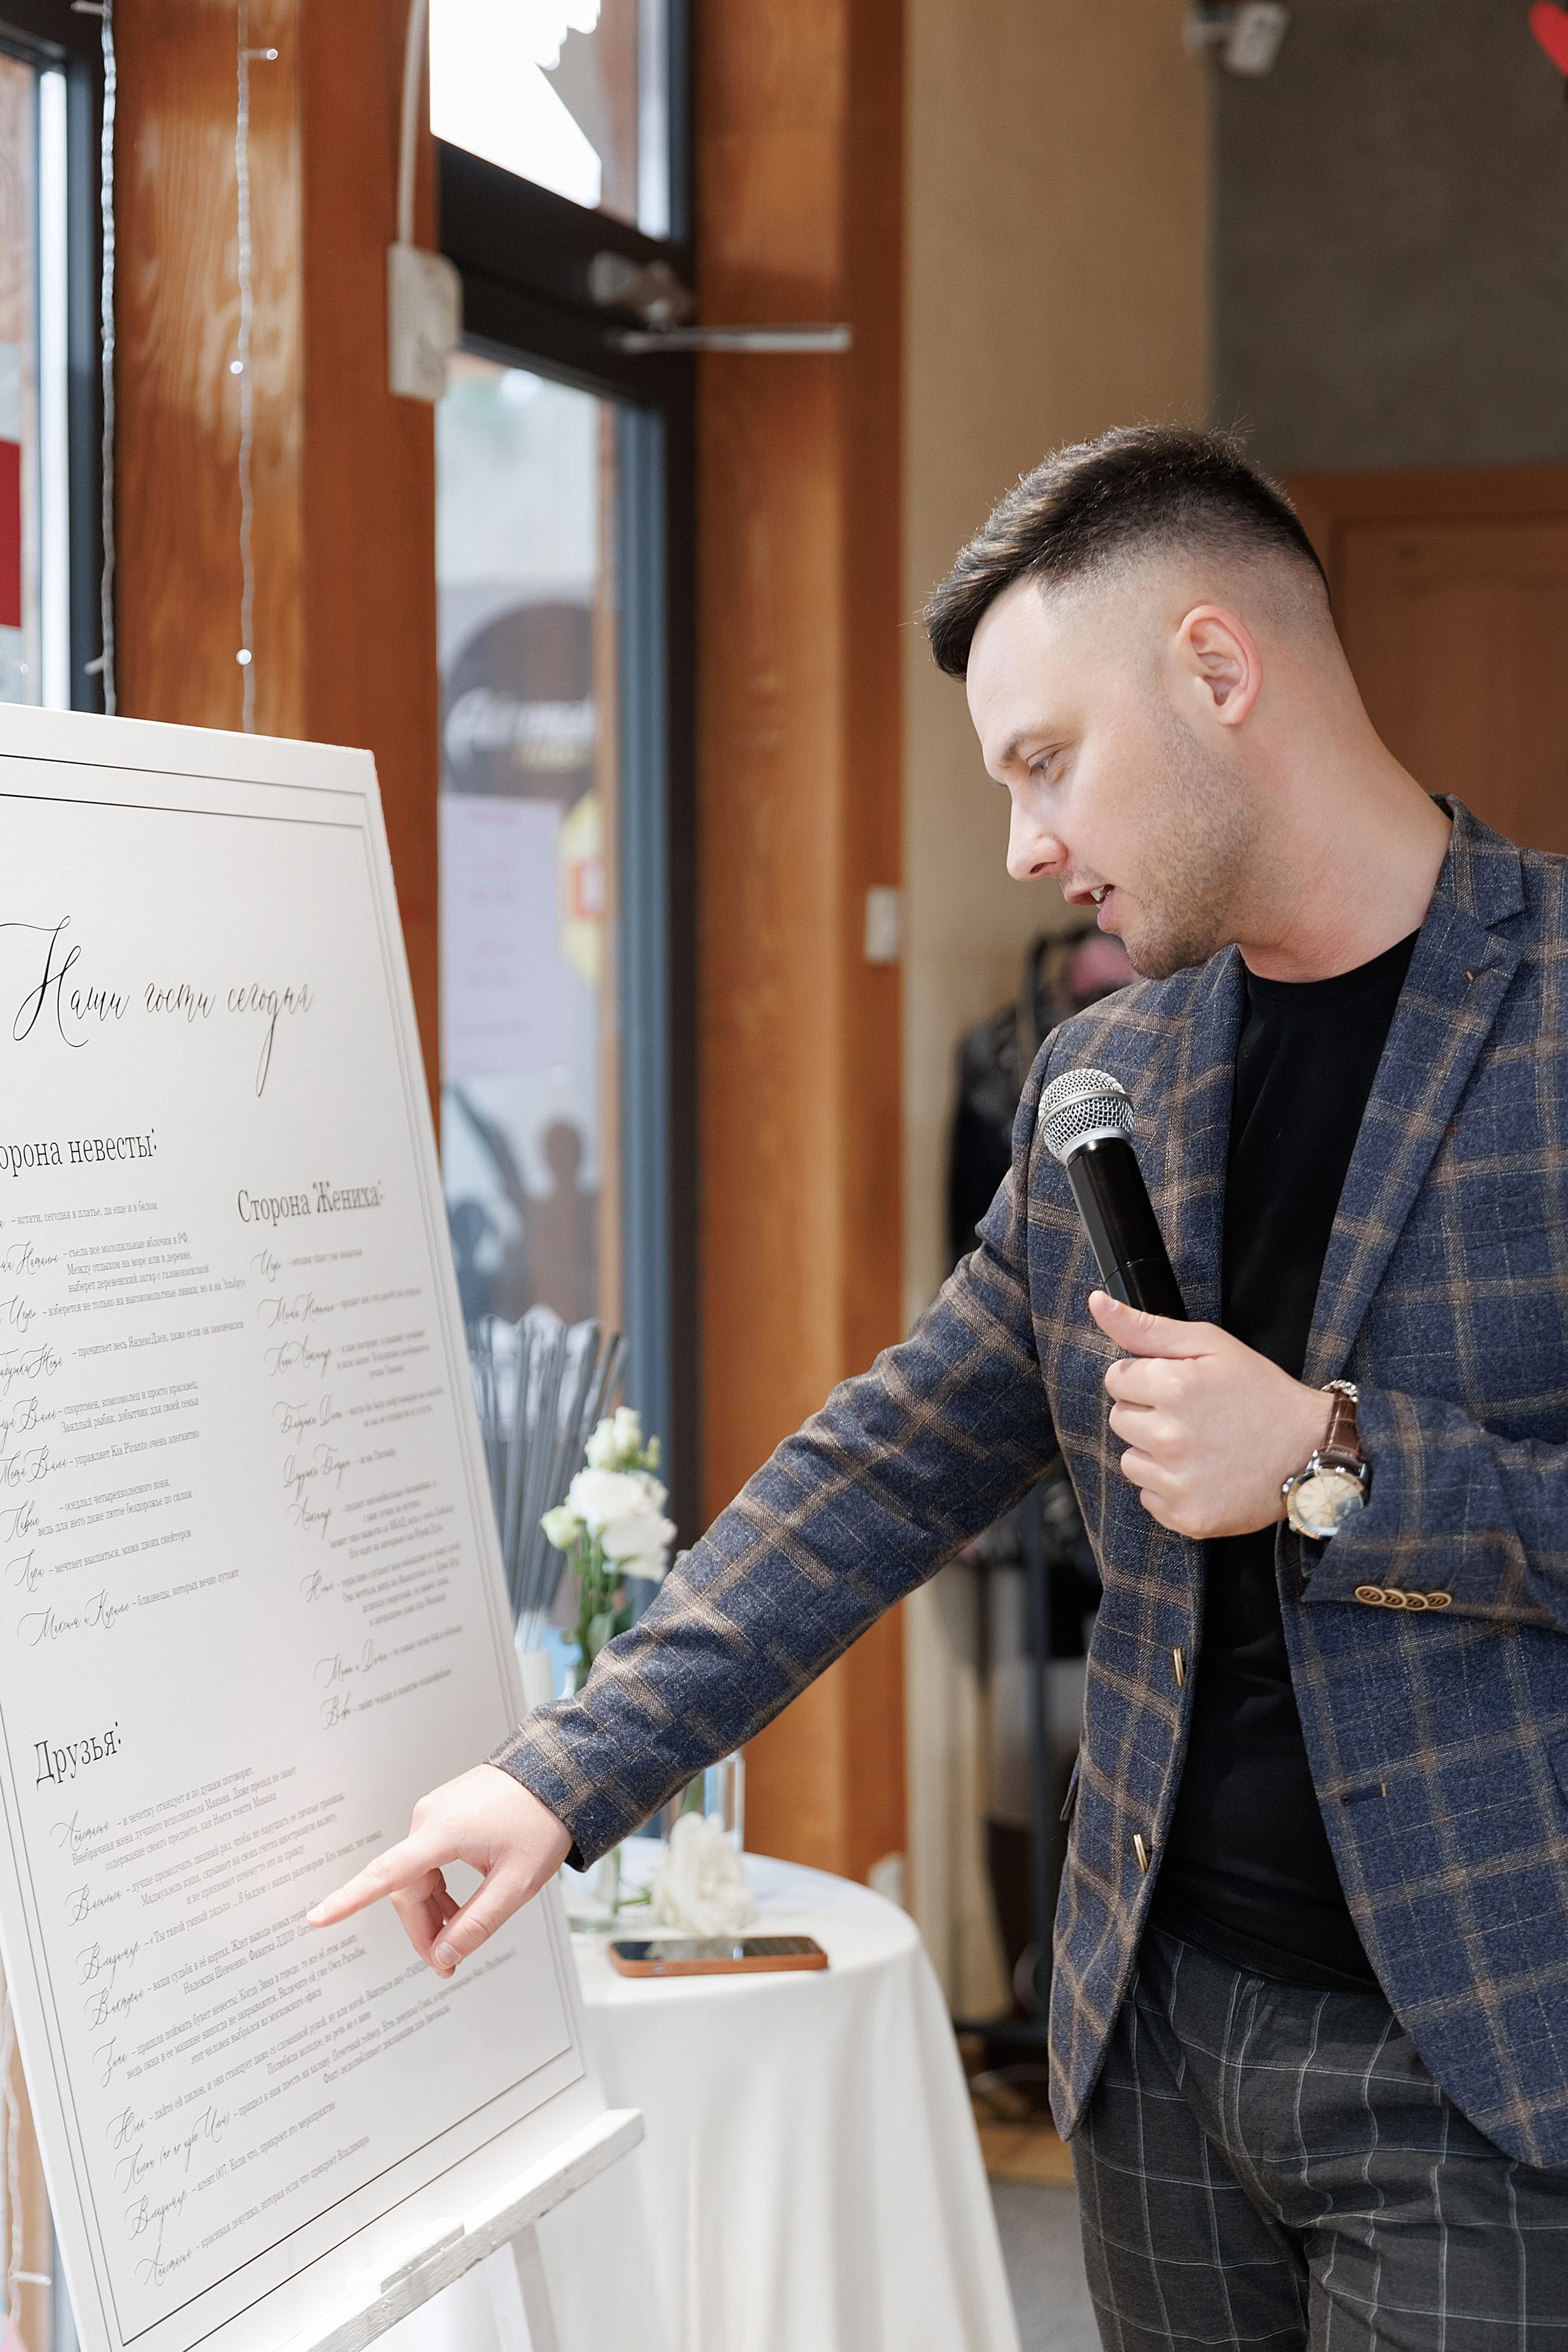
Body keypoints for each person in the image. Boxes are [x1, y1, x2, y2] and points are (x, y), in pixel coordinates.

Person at [311, 426, 1568, 2347]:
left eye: (1045, 762)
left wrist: (1331, 1457)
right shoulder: (1112, 1076)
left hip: (1488, 2067)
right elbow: (882, 1468)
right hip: (1154, 2052)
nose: (1025, 846)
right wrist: (560, 1777)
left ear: (1220, 674)